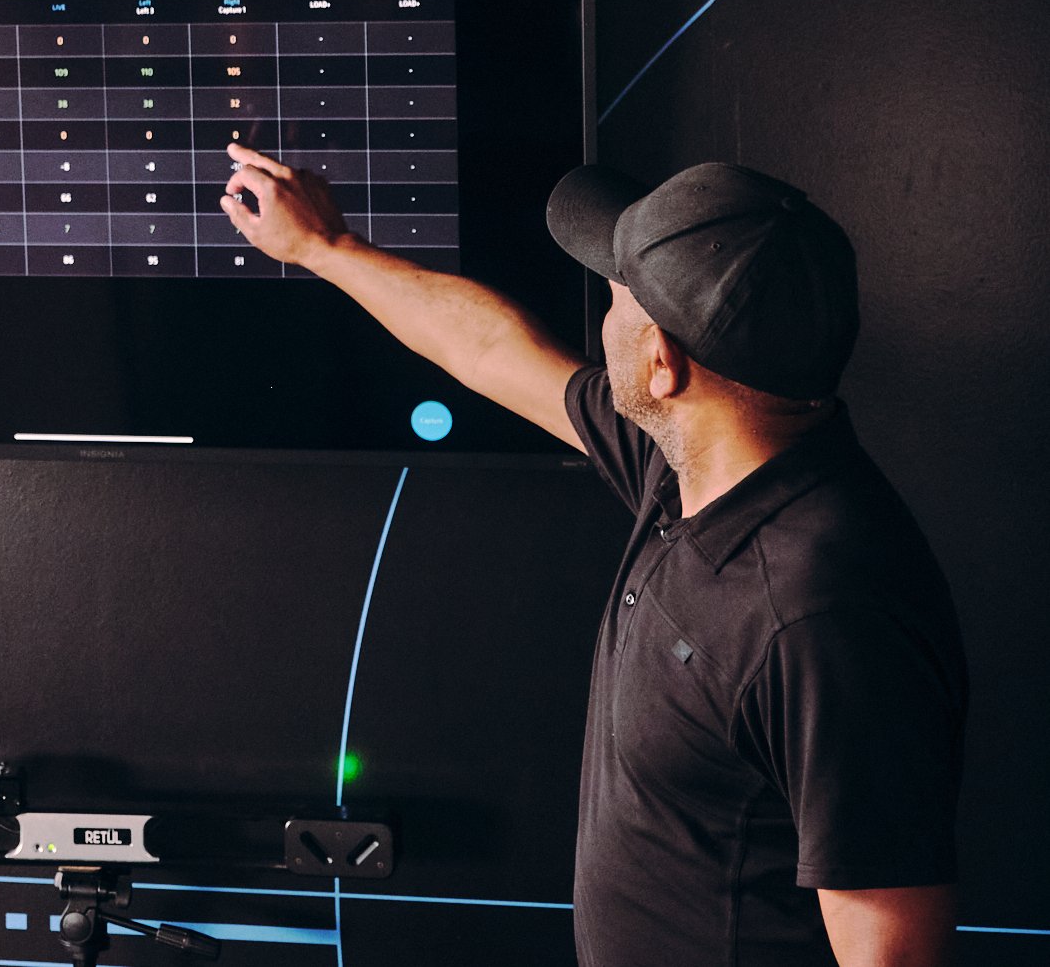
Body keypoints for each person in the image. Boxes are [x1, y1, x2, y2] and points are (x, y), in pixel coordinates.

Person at [222, 143, 964, 967]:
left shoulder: (820, 615)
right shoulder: (692, 460)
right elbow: (492, 352)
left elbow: (892, 955)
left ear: (663, 362)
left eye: (615, 297)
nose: (600, 313)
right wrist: (326, 248)